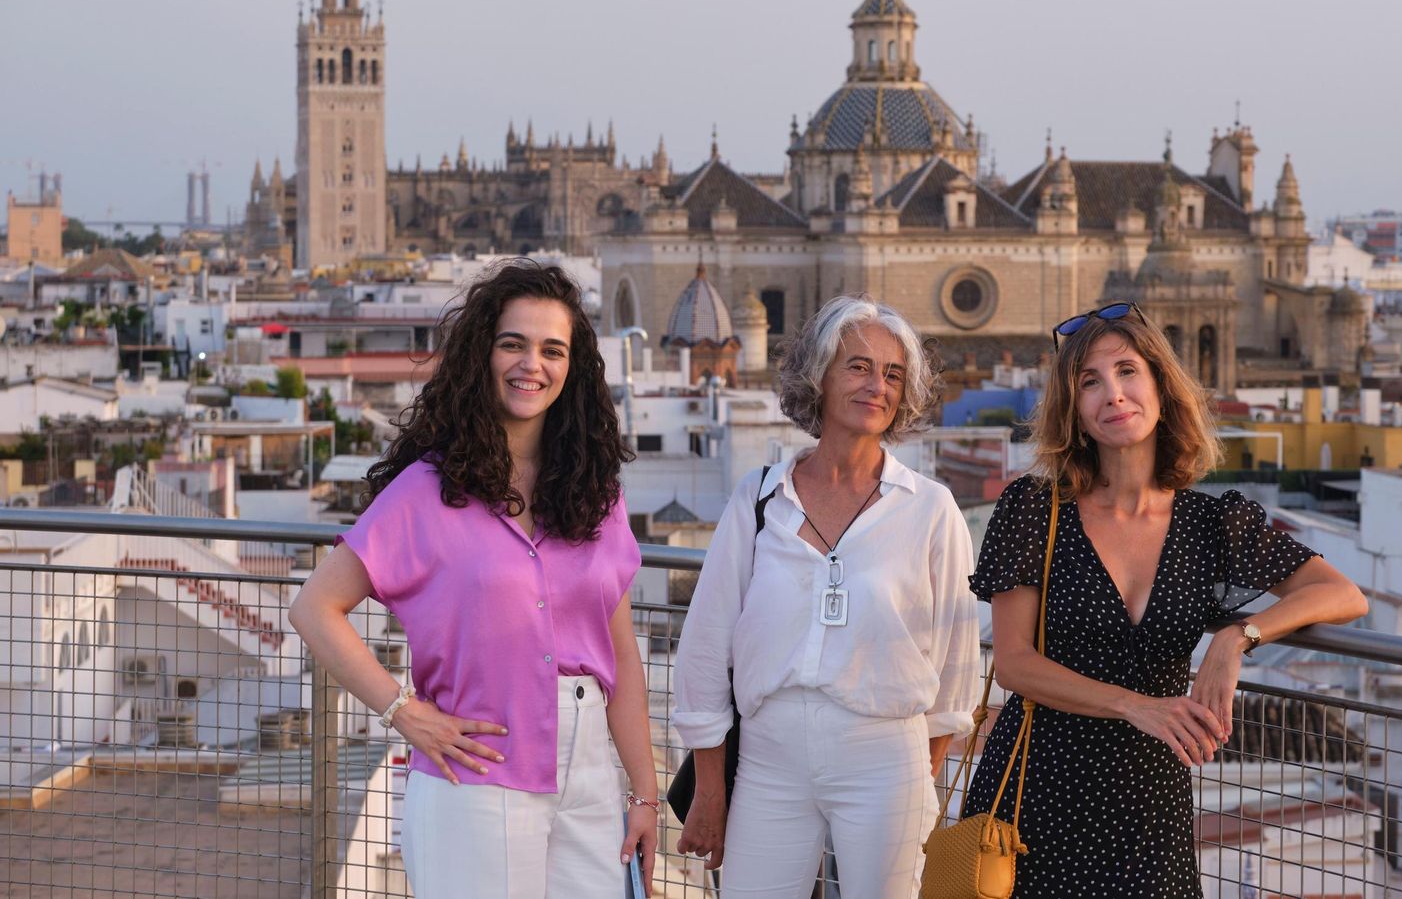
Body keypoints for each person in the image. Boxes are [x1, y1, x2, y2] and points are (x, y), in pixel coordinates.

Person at [963, 302, 1367, 897]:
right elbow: (1016, 664)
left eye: (1128, 371)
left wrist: (1236, 638)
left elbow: (1340, 593)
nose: (1113, 395)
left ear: (1160, 386)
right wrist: (1136, 705)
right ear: (1073, 409)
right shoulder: (1033, 508)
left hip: (1150, 806)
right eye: (1089, 382)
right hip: (1038, 795)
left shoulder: (1212, 523)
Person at [288, 261, 658, 898]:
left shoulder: (595, 493)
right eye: (512, 343)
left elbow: (619, 655)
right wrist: (406, 714)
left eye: (552, 349)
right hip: (477, 778)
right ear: (483, 353)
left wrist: (646, 795)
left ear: (573, 369)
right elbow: (315, 608)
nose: (530, 364)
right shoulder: (428, 491)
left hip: (591, 777)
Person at [672, 295, 982, 898]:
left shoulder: (930, 508)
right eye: (858, 366)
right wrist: (711, 792)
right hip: (767, 758)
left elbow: (955, 671)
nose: (878, 386)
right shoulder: (759, 499)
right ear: (819, 374)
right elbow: (707, 647)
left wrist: (916, 780)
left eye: (893, 374)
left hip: (885, 760)